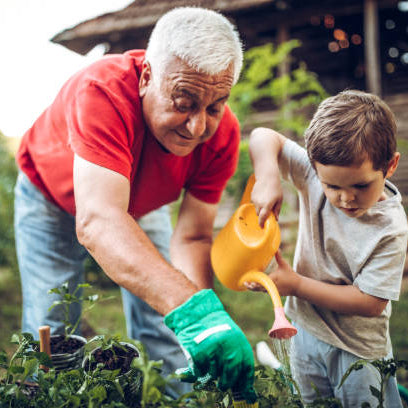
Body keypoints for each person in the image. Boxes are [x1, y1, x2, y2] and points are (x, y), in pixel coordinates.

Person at [14, 7, 256, 402]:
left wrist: (206, 320)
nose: (198, 127)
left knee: (167, 323)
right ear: (146, 78)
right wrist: (192, 309)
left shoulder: (222, 134)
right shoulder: (103, 90)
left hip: (138, 205)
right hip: (50, 198)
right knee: (53, 327)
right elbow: (100, 220)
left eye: (214, 107)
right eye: (184, 102)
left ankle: (183, 398)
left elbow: (193, 236)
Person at [247, 90, 408, 406]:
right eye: (332, 186)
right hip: (304, 330)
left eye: (361, 185)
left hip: (357, 350)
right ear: (314, 166)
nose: (346, 198)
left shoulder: (390, 228)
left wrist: (296, 285)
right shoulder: (311, 172)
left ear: (390, 166)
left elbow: (371, 302)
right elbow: (263, 136)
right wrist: (267, 176)